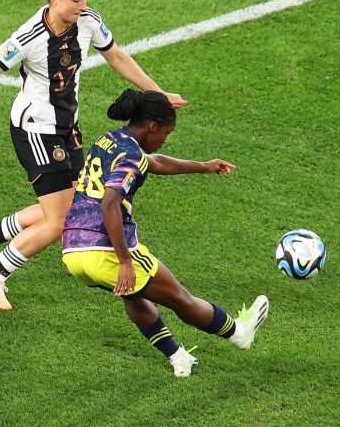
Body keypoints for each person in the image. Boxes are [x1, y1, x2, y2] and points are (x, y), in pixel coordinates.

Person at [0, 0, 186, 311]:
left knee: (69, 205)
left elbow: (117, 56)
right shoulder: (30, 37)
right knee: (61, 220)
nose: (83, 5)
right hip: (35, 130)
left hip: (67, 129)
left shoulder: (88, 20)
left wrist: (159, 94)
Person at [61, 89, 269, 377]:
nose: (165, 139)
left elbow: (154, 162)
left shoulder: (109, 140)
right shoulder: (132, 156)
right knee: (181, 299)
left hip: (73, 251)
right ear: (152, 126)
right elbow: (110, 203)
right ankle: (238, 333)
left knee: (133, 295)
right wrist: (124, 261)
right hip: (106, 249)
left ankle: (177, 356)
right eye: (166, 133)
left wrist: (203, 167)